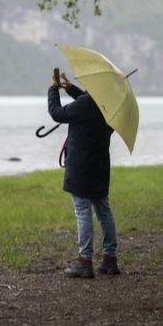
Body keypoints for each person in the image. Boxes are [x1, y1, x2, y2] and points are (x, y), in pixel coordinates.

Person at [47, 70, 120, 278]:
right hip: (100, 167)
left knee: (82, 211)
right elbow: (86, 103)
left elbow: (57, 113)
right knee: (103, 210)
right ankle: (109, 259)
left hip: (81, 168)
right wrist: (70, 88)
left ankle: (85, 261)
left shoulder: (86, 105)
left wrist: (53, 89)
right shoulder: (108, 107)